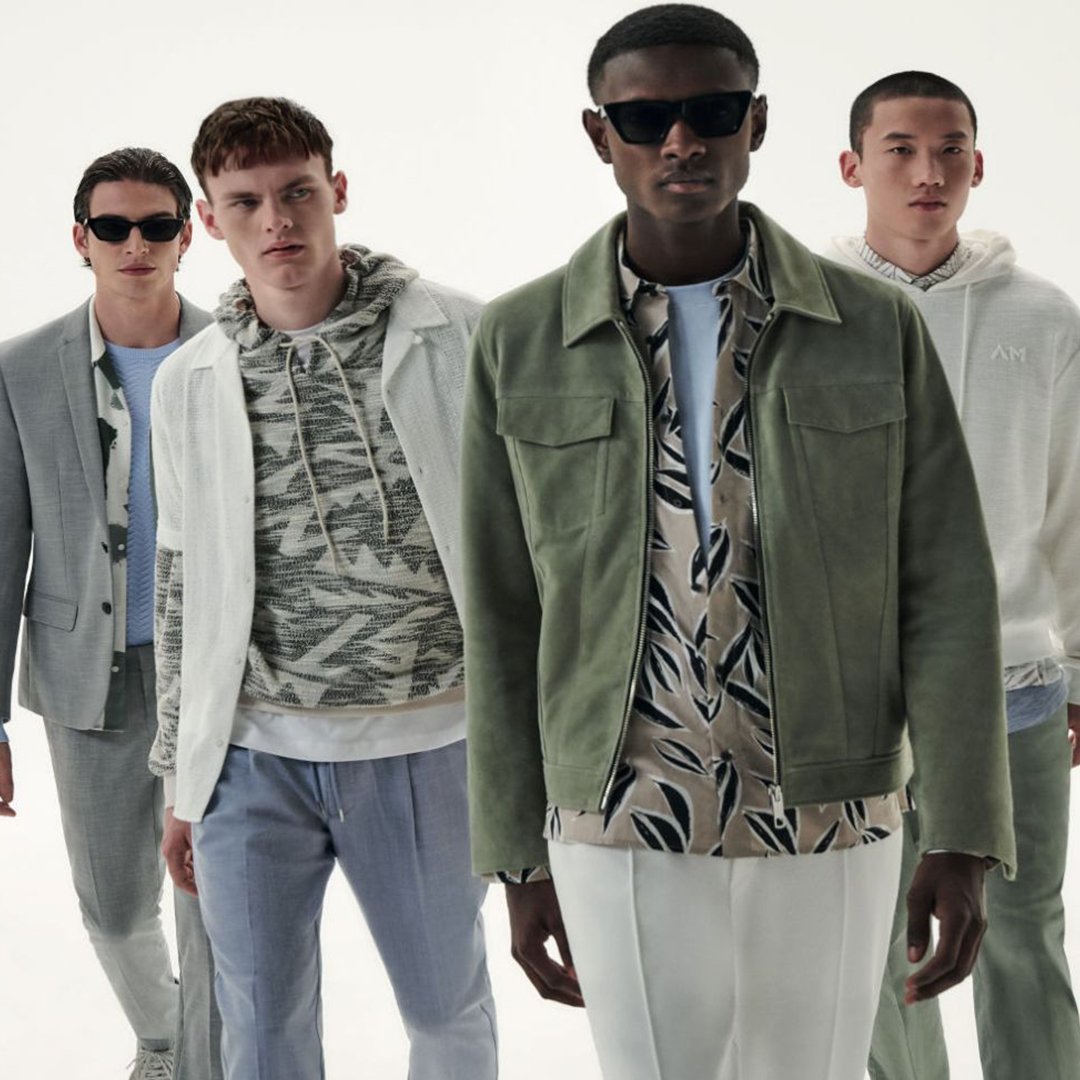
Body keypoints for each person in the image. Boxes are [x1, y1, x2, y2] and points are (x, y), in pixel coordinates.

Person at [461, 6, 1016, 1078]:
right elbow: (498, 604)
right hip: (615, 805)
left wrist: (962, 833)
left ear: (756, 123)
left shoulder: (871, 327)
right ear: (600, 135)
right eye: (645, 117)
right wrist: (513, 853)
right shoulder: (522, 338)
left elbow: (946, 586)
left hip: (832, 803)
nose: (681, 140)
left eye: (712, 111)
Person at [147, 96, 497, 1080]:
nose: (277, 221)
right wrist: (182, 777)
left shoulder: (461, 337)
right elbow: (178, 584)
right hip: (251, 757)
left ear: (337, 190)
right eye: (245, 202)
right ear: (209, 219)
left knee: (446, 1010)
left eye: (297, 193)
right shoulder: (189, 380)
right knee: (260, 1028)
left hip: (428, 743)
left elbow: (526, 546)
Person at [830, 70, 1080, 1080]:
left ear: (979, 165)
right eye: (900, 149)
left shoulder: (1045, 317)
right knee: (878, 948)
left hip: (1013, 682)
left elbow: (1071, 501)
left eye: (950, 150)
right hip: (858, 692)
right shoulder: (808, 312)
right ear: (853, 166)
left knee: (1024, 935)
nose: (928, 172)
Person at [0, 148, 221, 1080]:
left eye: (158, 225)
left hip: (218, 672)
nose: (137, 244)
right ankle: (166, 1039)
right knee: (115, 906)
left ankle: (209, 1061)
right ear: (80, 238)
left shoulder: (235, 350)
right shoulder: (19, 368)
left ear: (187, 235)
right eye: (114, 226)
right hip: (89, 671)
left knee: (215, 897)